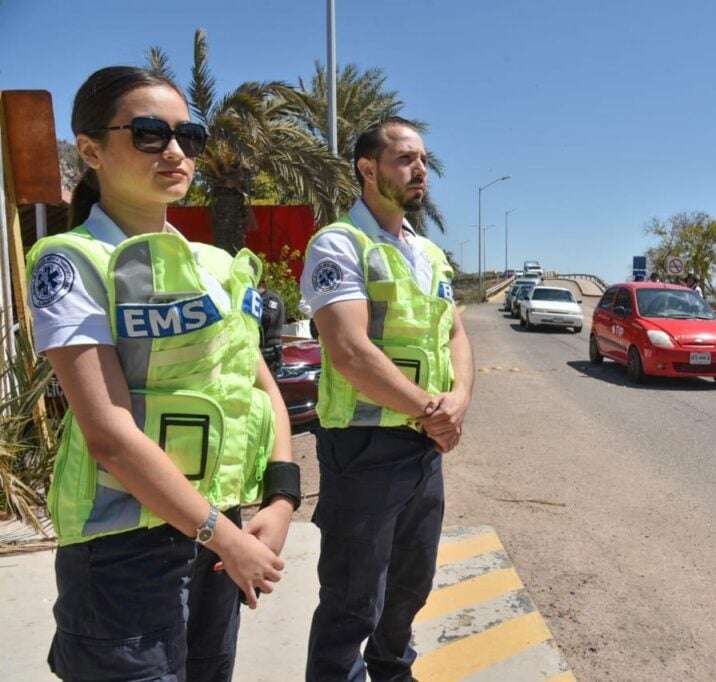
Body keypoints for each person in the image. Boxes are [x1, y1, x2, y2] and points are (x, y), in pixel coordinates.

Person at [25, 66, 299, 681]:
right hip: (123, 552)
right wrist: (225, 540)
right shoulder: (71, 260)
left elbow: (256, 383)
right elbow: (107, 433)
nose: (175, 151)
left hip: (217, 537)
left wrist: (281, 497)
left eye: (189, 137)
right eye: (149, 134)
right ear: (91, 149)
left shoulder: (214, 265)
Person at [302, 116, 475, 681]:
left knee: (409, 585)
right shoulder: (340, 244)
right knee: (353, 599)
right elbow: (350, 351)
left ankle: (393, 671)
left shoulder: (428, 254)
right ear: (367, 169)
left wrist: (460, 401)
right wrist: (432, 412)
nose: (419, 168)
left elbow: (454, 334)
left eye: (423, 158)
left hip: (423, 451)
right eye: (405, 158)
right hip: (364, 448)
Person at [259, 284, 285, 375]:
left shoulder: (272, 299)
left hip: (270, 351)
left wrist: (251, 310)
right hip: (261, 351)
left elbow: (268, 318)